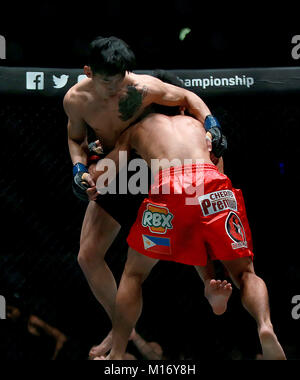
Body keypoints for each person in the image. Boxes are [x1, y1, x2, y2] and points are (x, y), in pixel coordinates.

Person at [63, 36, 223, 358]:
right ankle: (123, 329)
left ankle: (122, 342)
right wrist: (78, 170)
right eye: (108, 82)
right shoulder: (75, 101)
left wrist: (211, 123)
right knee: (88, 256)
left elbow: (189, 97)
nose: (115, 89)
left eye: (120, 79)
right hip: (118, 167)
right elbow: (75, 137)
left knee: (153, 261)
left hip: (151, 171)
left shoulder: (142, 88)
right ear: (88, 72)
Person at [91, 102, 286, 361]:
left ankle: (116, 354)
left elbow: (104, 171)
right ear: (181, 109)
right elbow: (217, 179)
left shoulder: (137, 129)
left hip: (169, 188)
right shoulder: (201, 128)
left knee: (134, 273)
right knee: (245, 272)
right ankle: (264, 325)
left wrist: (88, 170)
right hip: (212, 185)